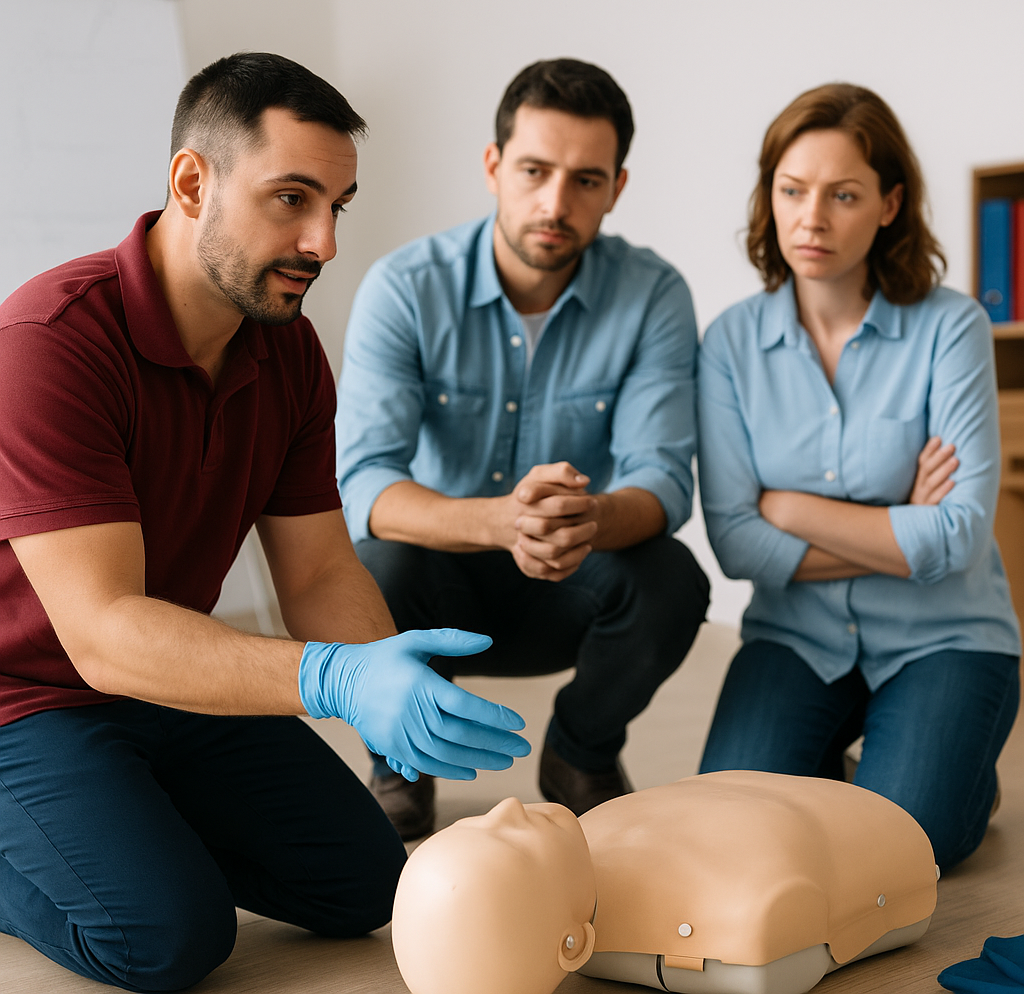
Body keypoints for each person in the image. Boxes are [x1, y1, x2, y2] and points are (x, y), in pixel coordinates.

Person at [0, 52, 530, 994]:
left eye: (338, 206)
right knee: (166, 938)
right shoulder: (50, 346)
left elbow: (319, 569)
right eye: (291, 199)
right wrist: (331, 679)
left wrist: (391, 684)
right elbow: (103, 633)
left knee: (365, 883)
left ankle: (122, 821)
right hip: (27, 699)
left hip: (168, 682)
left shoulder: (288, 354)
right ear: (192, 184)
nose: (323, 242)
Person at [336, 57, 710, 838]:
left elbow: (664, 479)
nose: (555, 203)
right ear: (494, 166)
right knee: (371, 565)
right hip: (436, 583)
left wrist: (588, 518)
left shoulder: (653, 294)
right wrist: (501, 521)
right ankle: (401, 762)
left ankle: (581, 754)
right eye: (535, 171)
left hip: (574, 576)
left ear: (616, 188)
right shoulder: (405, 287)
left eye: (586, 180)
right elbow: (364, 480)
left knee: (672, 578)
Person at [696, 83, 1021, 872]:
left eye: (843, 195)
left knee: (904, 847)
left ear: (888, 204)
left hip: (945, 636)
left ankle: (954, 778)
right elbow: (736, 543)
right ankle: (870, 772)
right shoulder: (731, 344)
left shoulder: (952, 327)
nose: (812, 218)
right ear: (769, 196)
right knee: (728, 830)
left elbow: (957, 537)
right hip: (795, 637)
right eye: (792, 190)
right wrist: (899, 525)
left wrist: (786, 507)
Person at [391, 774, 938, 994]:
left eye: (472, 822)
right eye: (511, 839)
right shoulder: (741, 900)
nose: (507, 805)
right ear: (574, 944)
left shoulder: (594, 828)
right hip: (877, 833)